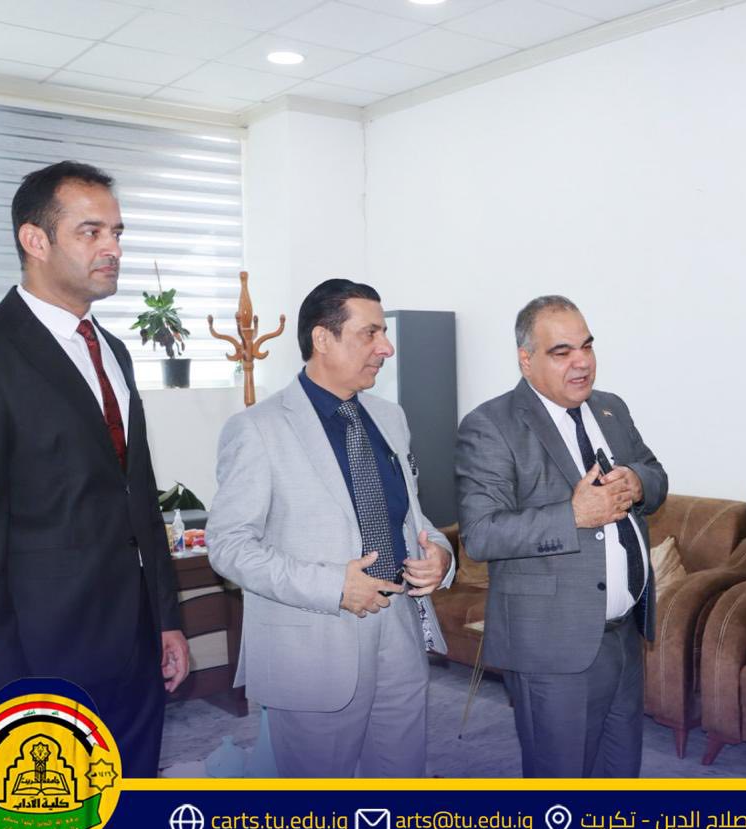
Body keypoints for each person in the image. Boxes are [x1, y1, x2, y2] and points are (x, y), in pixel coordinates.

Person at [0, 161, 188, 776]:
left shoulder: (113, 350)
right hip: (37, 659)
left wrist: (166, 621)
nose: (112, 248)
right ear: (34, 240)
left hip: (133, 647)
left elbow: (137, 499)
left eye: (117, 233)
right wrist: (3, 691)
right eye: (91, 232)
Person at [207, 278, 454, 777]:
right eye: (370, 333)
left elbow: (410, 515)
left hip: (400, 631)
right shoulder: (258, 428)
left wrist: (441, 556)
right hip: (312, 644)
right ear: (323, 338)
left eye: (384, 333)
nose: (386, 348)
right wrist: (333, 586)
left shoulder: (390, 418)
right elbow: (229, 545)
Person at [454, 295, 667, 777]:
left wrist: (637, 482)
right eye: (562, 352)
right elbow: (481, 534)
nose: (582, 362)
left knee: (620, 777)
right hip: (552, 649)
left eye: (587, 346)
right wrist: (572, 516)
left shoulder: (611, 409)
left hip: (624, 635)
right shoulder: (491, 426)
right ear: (526, 359)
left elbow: (655, 473)